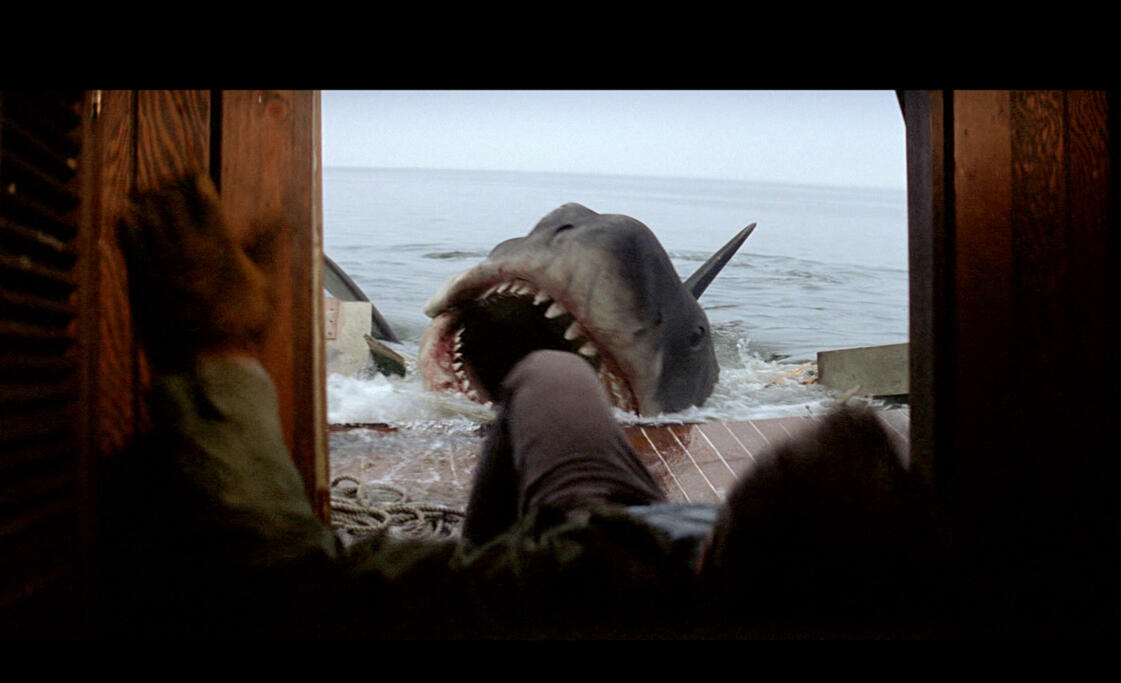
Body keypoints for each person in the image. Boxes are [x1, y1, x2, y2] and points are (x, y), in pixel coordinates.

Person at [98, 175, 944, 639]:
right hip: (655, 541)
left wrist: (214, 349)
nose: (853, 430)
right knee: (553, 375)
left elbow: (277, 586)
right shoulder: (767, 584)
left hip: (614, 559)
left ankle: (486, 562)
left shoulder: (589, 601)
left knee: (544, 380)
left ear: (733, 557)